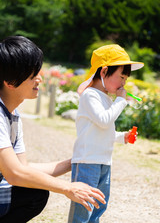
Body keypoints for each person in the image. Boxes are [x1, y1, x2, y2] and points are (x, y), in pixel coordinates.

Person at [0, 36, 106, 223]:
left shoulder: (12, 113)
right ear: (10, 82)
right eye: (33, 75)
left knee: (34, 192)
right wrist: (68, 188)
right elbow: (15, 174)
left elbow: (22, 168)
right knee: (33, 193)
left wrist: (75, 162)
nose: (39, 79)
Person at [68, 44, 144, 223]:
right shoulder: (90, 96)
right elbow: (103, 120)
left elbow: (103, 129)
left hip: (103, 161)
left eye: (125, 78)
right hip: (87, 161)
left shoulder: (105, 98)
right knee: (83, 208)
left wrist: (121, 136)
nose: (124, 83)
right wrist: (121, 101)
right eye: (121, 77)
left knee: (98, 207)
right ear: (103, 72)